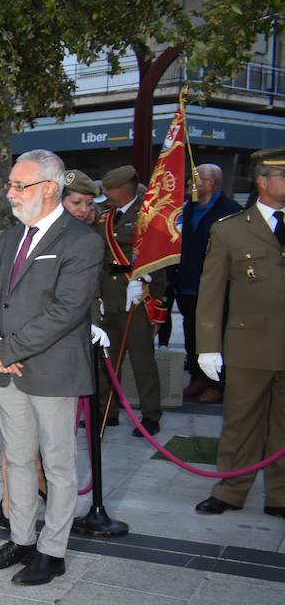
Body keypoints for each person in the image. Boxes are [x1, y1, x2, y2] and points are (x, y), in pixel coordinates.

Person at [0, 149, 103, 585]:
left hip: (51, 369)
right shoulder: (10, 237)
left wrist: (8, 350)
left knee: (58, 464)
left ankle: (53, 551)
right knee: (18, 460)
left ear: (50, 188)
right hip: (6, 366)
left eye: (19, 185)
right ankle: (22, 540)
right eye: (10, 184)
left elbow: (67, 311)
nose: (10, 193)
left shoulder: (81, 241)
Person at [193, 148, 285, 518]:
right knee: (241, 421)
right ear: (263, 181)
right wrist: (208, 346)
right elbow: (211, 291)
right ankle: (231, 489)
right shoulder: (230, 229)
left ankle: (280, 494)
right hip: (250, 343)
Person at [96, 165, 165, 435]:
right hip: (110, 295)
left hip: (136, 296)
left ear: (123, 190)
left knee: (142, 359)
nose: (105, 195)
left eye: (108, 190)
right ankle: (107, 411)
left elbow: (164, 251)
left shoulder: (150, 216)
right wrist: (97, 293)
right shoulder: (106, 216)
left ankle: (151, 415)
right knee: (108, 360)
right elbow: (100, 256)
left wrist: (145, 279)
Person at [177, 163, 240, 404]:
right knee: (192, 334)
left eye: (193, 181)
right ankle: (198, 377)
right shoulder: (188, 210)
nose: (189, 186)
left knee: (217, 336)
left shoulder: (231, 211)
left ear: (210, 183)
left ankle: (218, 383)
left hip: (218, 289)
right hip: (189, 285)